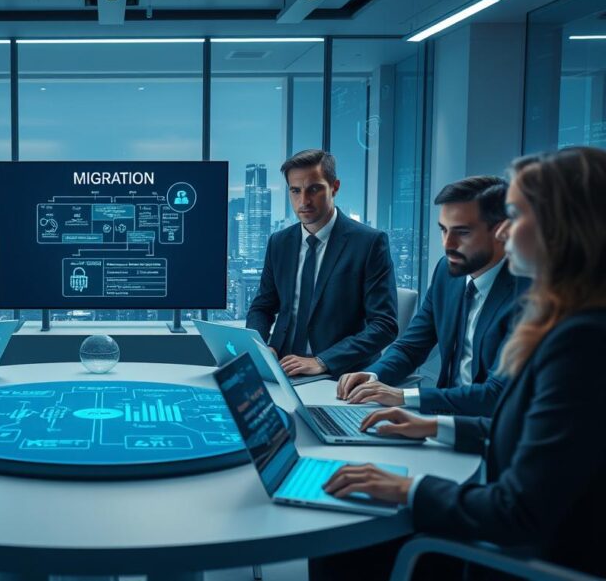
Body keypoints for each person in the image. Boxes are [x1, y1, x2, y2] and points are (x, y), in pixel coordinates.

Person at [314, 147, 606, 579]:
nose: (504, 231)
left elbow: (517, 510)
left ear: (565, 228)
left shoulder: (581, 341)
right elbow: (528, 432)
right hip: (507, 504)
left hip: (526, 557)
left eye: (515, 215)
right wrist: (431, 425)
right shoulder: (569, 322)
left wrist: (409, 489)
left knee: (346, 536)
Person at [335, 176, 529, 417]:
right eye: (444, 230)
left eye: (463, 232)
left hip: (493, 428)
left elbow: (497, 394)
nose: (448, 244)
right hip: (442, 416)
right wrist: (374, 375)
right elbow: (411, 347)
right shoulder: (447, 273)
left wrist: (403, 397)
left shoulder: (530, 294)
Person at [246, 149, 398, 378]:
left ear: (334, 187)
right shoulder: (279, 243)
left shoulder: (368, 243)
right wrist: (260, 348)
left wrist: (322, 361)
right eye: (295, 191)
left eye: (314, 189)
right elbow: (262, 307)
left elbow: (384, 325)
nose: (303, 201)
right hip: (282, 368)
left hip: (340, 375)